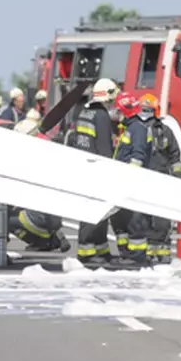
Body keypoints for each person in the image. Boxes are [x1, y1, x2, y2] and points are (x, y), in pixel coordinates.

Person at [70, 78, 119, 263]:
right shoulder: (101, 115)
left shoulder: (85, 112)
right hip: (98, 168)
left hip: (84, 165)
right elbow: (104, 146)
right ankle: (86, 252)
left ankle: (101, 249)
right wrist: (110, 169)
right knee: (95, 210)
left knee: (96, 209)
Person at [111, 92, 155, 264]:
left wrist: (130, 177)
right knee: (120, 218)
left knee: (134, 220)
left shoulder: (137, 128)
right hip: (125, 180)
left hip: (133, 182)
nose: (118, 115)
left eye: (119, 111)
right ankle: (126, 252)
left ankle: (136, 256)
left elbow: (138, 155)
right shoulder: (130, 127)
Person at [141, 94, 181, 263]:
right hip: (144, 179)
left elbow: (175, 156)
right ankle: (150, 249)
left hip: (161, 179)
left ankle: (161, 249)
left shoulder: (165, 132)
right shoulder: (137, 129)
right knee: (145, 216)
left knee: (161, 218)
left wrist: (176, 178)